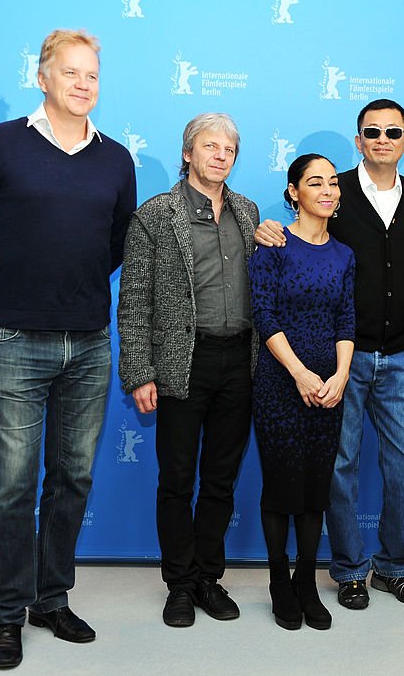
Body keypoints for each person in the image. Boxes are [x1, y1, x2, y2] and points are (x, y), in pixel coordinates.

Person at [0, 29, 137, 669]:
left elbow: (116, 243)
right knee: (12, 483)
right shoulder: (0, 144)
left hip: (90, 342)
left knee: (73, 478)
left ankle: (50, 598)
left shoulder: (116, 159)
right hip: (15, 340)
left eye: (92, 75)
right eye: (71, 73)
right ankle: (5, 614)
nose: (83, 85)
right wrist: (14, 288)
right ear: (43, 77)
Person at [255, 99, 404, 610]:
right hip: (344, 358)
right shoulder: (336, 191)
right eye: (372, 131)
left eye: (393, 131)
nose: (382, 138)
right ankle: (350, 570)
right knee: (339, 464)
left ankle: (396, 565)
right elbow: (295, 240)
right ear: (358, 140)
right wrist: (260, 228)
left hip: (401, 355)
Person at [117, 113, 259, 629]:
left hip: (239, 361)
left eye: (229, 149)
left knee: (221, 480)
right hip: (182, 364)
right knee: (177, 479)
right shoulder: (155, 216)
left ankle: (208, 577)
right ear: (188, 153)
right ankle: (179, 583)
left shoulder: (247, 212)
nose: (220, 156)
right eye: (210, 146)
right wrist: (138, 372)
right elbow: (133, 301)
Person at [249, 154, 355, 630]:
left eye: (333, 183)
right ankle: (278, 583)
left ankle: (307, 582)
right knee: (282, 487)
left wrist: (340, 376)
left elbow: (346, 319)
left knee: (316, 491)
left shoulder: (344, 254)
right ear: (294, 191)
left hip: (329, 387)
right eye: (316, 183)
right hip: (280, 382)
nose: (328, 191)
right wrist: (298, 373)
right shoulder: (273, 246)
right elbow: (264, 316)